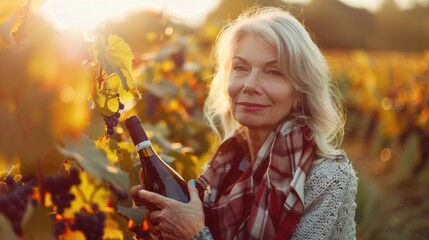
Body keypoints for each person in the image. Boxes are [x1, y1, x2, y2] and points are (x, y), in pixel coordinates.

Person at [131, 6, 357, 240]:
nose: (249, 84)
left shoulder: (328, 177)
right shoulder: (224, 166)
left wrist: (193, 235)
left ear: (300, 94)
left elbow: (198, 234)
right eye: (240, 68)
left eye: (273, 72)